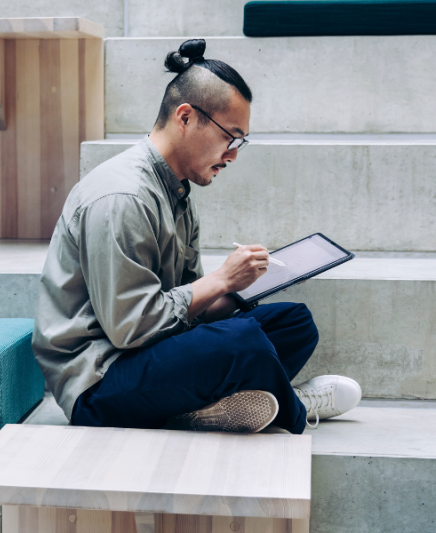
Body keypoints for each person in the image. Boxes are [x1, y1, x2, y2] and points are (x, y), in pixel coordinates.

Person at [32, 39, 361, 434]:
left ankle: (208, 407)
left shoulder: (179, 191)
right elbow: (129, 328)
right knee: (243, 342)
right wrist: (219, 280)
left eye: (240, 142)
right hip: (100, 381)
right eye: (230, 137)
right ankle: (294, 405)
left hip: (143, 353)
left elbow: (185, 306)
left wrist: (232, 293)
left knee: (294, 323)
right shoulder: (121, 197)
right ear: (185, 117)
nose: (233, 154)